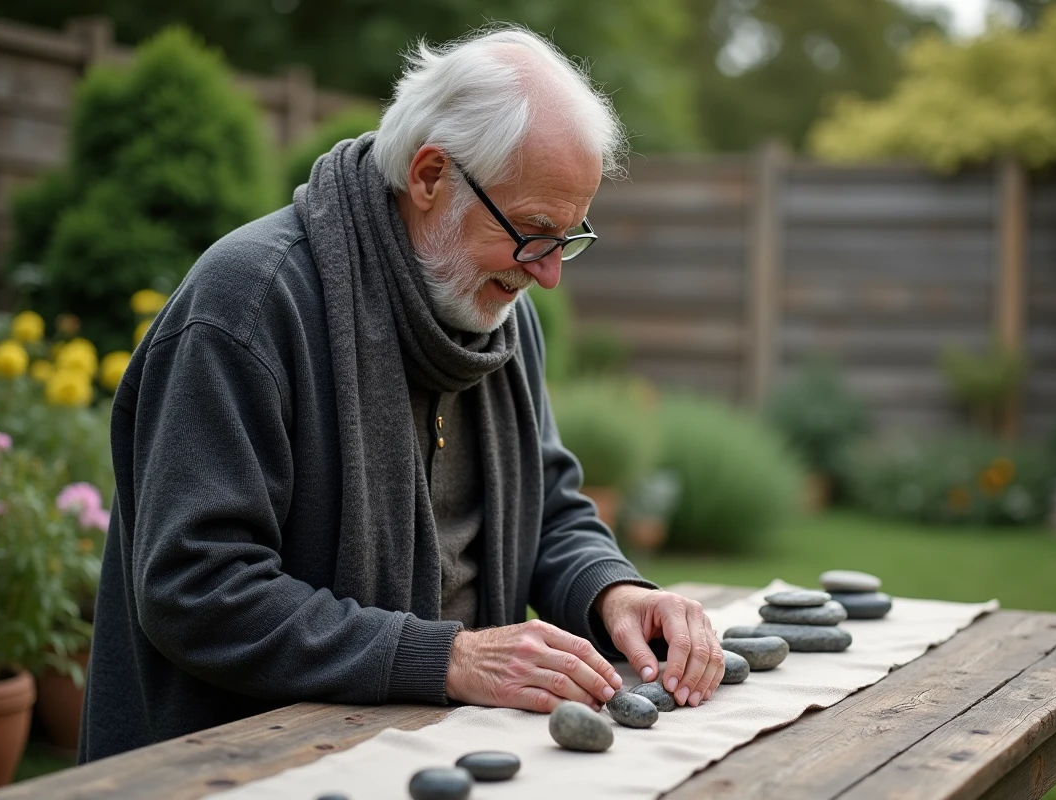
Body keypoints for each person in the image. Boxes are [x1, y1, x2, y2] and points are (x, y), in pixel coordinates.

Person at [79, 26, 724, 763]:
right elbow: (196, 587)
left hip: (447, 748)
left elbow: (546, 504)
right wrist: (447, 658)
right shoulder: (250, 305)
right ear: (428, 178)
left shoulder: (495, 308)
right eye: (534, 232)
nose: (549, 275)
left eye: (569, 238)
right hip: (240, 766)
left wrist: (614, 592)